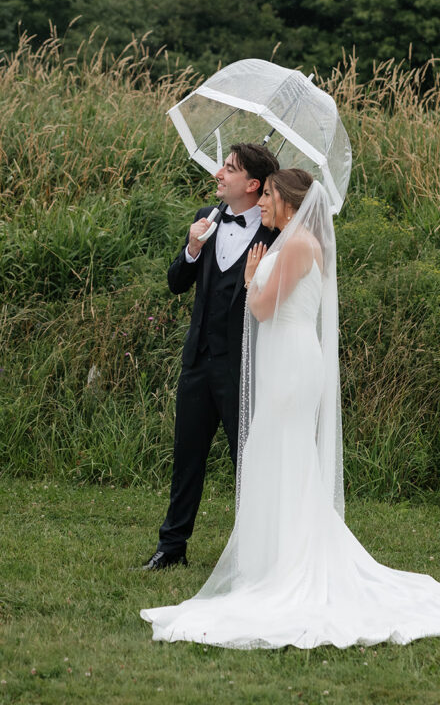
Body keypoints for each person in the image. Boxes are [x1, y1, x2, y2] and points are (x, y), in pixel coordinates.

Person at [141, 168, 440, 646]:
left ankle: (291, 564)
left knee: (283, 455)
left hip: (292, 364)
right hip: (285, 358)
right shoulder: (291, 240)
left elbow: (260, 309)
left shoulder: (297, 246)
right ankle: (276, 557)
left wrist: (254, 276)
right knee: (277, 456)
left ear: (289, 201)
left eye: (270, 196)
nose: (263, 205)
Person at [141, 142, 280, 571]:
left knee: (250, 461)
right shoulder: (208, 216)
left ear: (252, 185)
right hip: (198, 360)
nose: (218, 173)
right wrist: (192, 248)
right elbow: (176, 282)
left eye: (229, 169)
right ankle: (171, 548)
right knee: (187, 457)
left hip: (245, 365)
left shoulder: (276, 233)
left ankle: (257, 551)